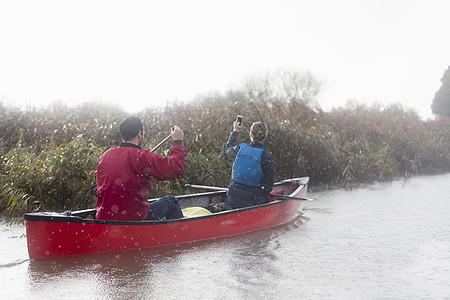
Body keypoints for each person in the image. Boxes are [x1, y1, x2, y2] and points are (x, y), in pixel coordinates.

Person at [95, 116, 187, 221]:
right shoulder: (142, 156)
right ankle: (180, 235)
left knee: (143, 198)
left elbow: (98, 177)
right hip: (134, 218)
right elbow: (176, 169)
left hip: (105, 218)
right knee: (172, 202)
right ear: (139, 134)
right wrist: (177, 142)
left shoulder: (106, 155)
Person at [225, 120, 274, 208]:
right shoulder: (266, 157)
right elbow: (268, 187)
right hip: (252, 199)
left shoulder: (239, 149)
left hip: (233, 196)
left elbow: (228, 148)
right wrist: (264, 191)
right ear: (264, 137)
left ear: (250, 134)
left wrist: (235, 131)